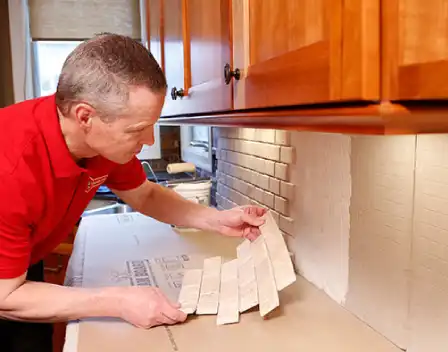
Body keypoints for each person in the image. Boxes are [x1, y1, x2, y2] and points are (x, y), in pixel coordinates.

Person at [0, 33, 266, 352]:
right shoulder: (10, 169)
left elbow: (144, 195)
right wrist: (118, 301)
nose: (149, 141)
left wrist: (216, 220)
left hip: (19, 265)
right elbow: (6, 296)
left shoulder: (101, 143)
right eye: (136, 130)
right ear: (85, 117)